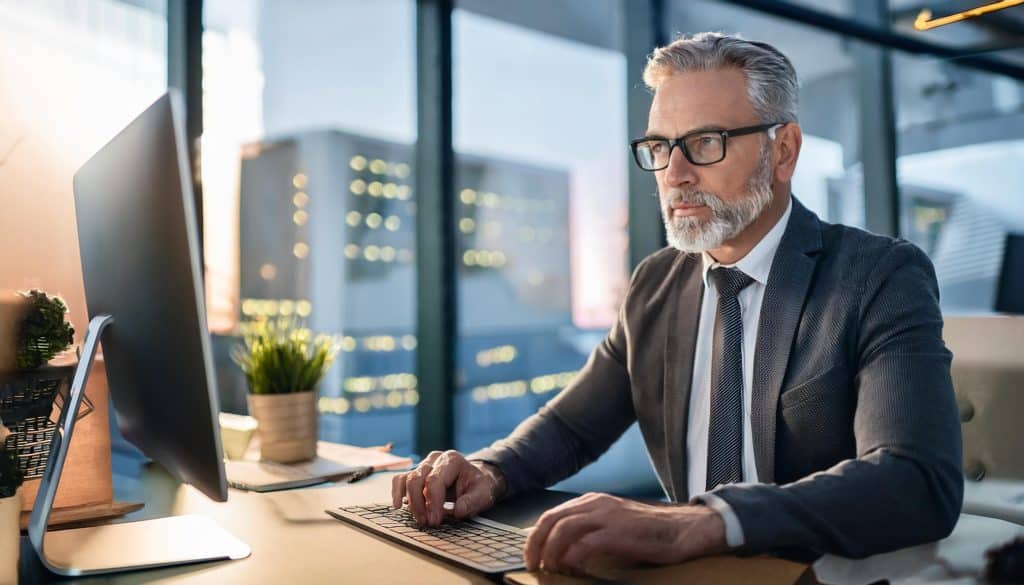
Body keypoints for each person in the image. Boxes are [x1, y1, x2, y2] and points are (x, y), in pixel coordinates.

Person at [391, 32, 963, 576]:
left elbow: (915, 480)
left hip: (812, 574)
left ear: (782, 151)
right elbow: (570, 427)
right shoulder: (655, 284)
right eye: (660, 146)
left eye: (706, 143)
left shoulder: (879, 276)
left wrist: (700, 524)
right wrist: (490, 471)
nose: (675, 174)